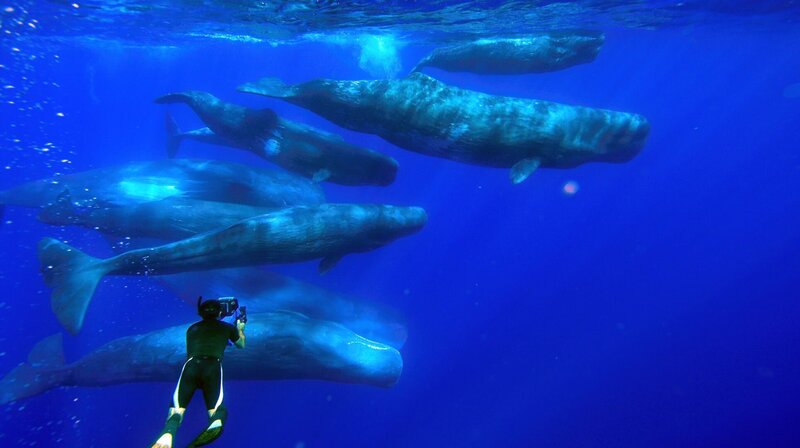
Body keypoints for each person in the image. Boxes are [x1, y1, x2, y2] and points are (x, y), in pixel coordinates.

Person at [151, 297, 246, 448]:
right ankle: (216, 420)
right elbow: (241, 345)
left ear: (200, 313)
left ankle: (167, 434)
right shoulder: (227, 328)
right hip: (212, 366)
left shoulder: (192, 329)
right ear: (220, 312)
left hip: (191, 366)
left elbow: (206, 337)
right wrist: (240, 328)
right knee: (216, 408)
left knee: (176, 410)